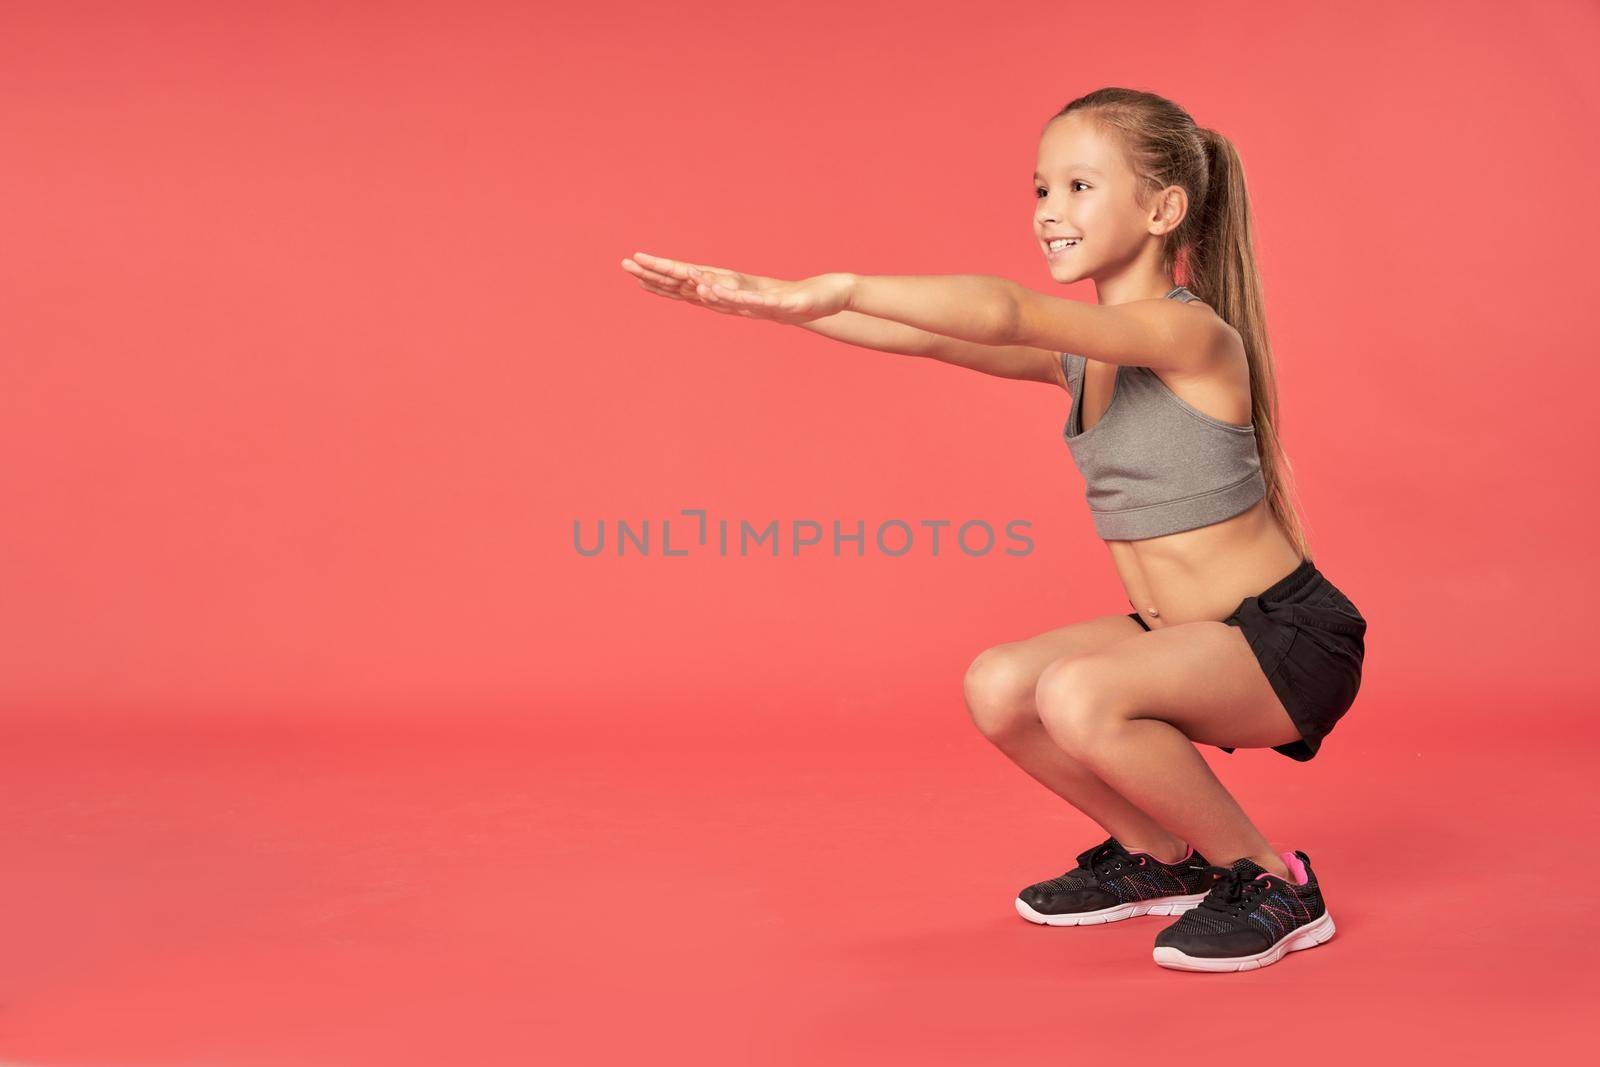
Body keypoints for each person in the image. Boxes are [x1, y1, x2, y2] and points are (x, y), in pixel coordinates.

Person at [619, 86, 1367, 974]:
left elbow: (1006, 310)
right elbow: (933, 337)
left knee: (1078, 694)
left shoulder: (1190, 336)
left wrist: (841, 281)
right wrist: (776, 305)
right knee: (1000, 684)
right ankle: (1164, 858)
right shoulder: (1084, 352)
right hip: (1189, 635)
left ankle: (1272, 880)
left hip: (1288, 637)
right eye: (1041, 189)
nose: (1049, 210)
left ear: (1165, 208)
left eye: (1080, 186)